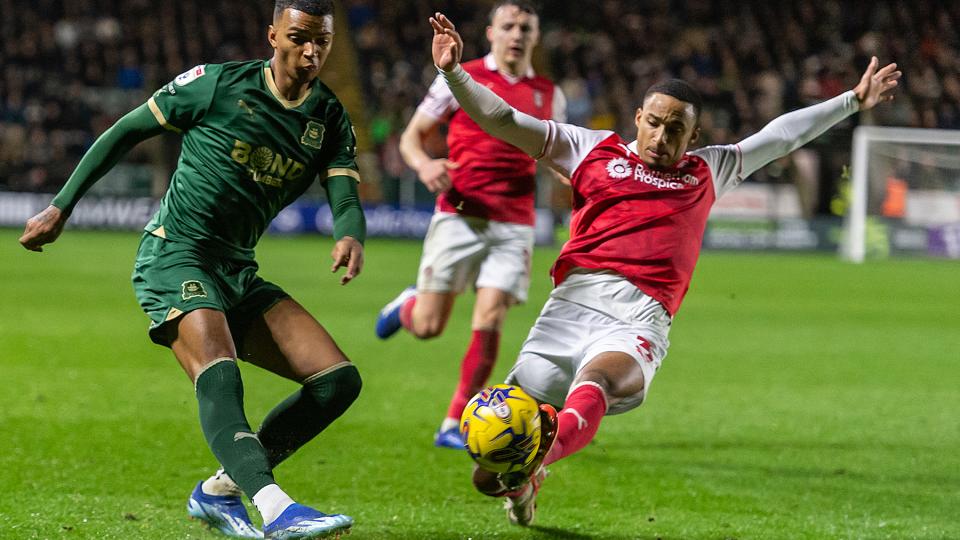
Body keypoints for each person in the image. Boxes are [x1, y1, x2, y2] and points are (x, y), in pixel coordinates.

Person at [427, 12, 901, 527]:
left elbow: (780, 136)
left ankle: (535, 462)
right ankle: (524, 480)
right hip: (567, 310)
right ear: (638, 118)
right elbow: (505, 120)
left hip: (636, 320)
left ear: (694, 134)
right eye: (654, 123)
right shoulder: (591, 150)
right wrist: (455, 75)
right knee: (486, 472)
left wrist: (852, 100)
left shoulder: (707, 170)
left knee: (597, 387)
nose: (662, 136)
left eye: (677, 129)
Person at [19, 1, 366, 538]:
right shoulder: (216, 85)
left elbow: (344, 192)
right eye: (299, 37)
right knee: (219, 371)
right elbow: (125, 131)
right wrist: (61, 206)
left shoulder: (328, 116)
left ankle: (222, 489)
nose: (311, 51)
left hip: (236, 270)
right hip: (174, 253)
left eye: (322, 40)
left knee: (338, 382)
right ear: (272, 34)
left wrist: (351, 233)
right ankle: (276, 509)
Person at [375, 0, 567, 450]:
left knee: (491, 315)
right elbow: (410, 137)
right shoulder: (460, 75)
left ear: (535, 37)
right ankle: (409, 304)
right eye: (509, 26)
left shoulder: (548, 93)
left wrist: (573, 177)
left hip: (514, 221)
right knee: (428, 326)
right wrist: (423, 166)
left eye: (525, 27)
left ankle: (453, 420)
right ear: (491, 33)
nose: (517, 34)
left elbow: (554, 152)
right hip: (459, 213)